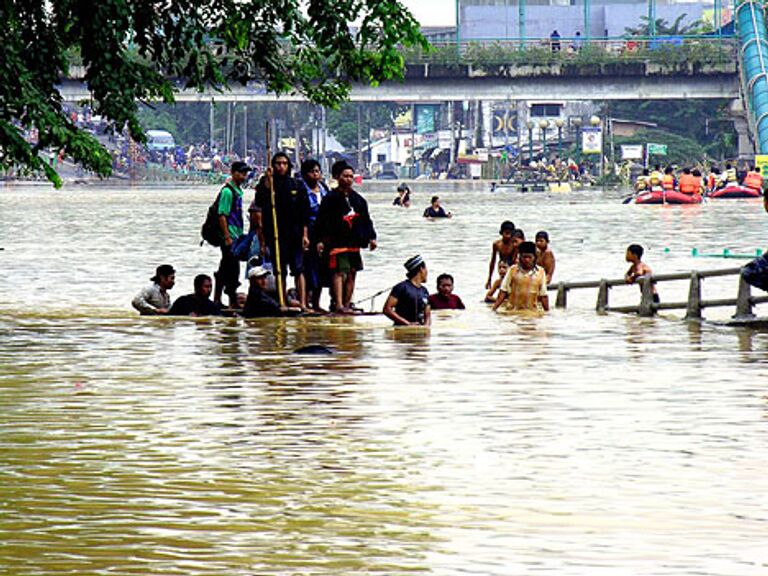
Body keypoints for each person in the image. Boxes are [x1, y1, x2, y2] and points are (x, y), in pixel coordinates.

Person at [315, 160, 377, 313]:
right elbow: (322, 221)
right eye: (345, 176)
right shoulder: (330, 199)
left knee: (352, 272)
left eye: (351, 176)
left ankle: (348, 303)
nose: (348, 179)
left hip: (354, 242)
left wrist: (372, 238)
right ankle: (339, 304)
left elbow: (367, 220)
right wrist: (321, 240)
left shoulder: (359, 200)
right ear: (337, 177)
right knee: (338, 272)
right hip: (336, 242)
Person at [213, 161, 249, 308]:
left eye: (245, 173)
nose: (244, 176)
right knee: (232, 268)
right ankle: (229, 300)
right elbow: (222, 215)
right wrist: (227, 236)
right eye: (241, 173)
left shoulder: (237, 191)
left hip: (236, 235)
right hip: (230, 236)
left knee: (226, 267)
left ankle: (221, 298)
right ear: (233, 173)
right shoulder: (227, 192)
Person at [298, 158, 330, 310]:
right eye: (312, 172)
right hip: (307, 231)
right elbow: (301, 214)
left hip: (323, 232)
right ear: (305, 174)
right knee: (307, 267)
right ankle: (305, 302)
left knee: (322, 269)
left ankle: (317, 303)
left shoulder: (323, 188)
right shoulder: (300, 189)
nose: (315, 175)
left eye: (317, 171)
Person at [492, 241, 549, 313]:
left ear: (534, 257)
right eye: (524, 257)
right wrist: (494, 309)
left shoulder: (540, 272)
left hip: (531, 312)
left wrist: (547, 313)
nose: (527, 260)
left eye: (529, 257)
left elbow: (543, 295)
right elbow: (503, 291)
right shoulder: (512, 270)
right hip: (512, 311)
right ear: (520, 257)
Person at [383, 255, 431, 326]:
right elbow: (387, 309)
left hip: (420, 332)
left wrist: (426, 328)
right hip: (402, 329)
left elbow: (428, 315)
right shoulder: (401, 287)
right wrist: (408, 324)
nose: (427, 272)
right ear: (421, 269)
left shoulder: (424, 291)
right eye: (426, 269)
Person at [485, 220, 516, 289]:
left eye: (510, 233)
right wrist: (489, 278)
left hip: (512, 267)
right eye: (506, 233)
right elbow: (493, 261)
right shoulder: (497, 244)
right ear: (501, 233)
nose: (508, 236)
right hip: (502, 267)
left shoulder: (514, 244)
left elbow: (515, 260)